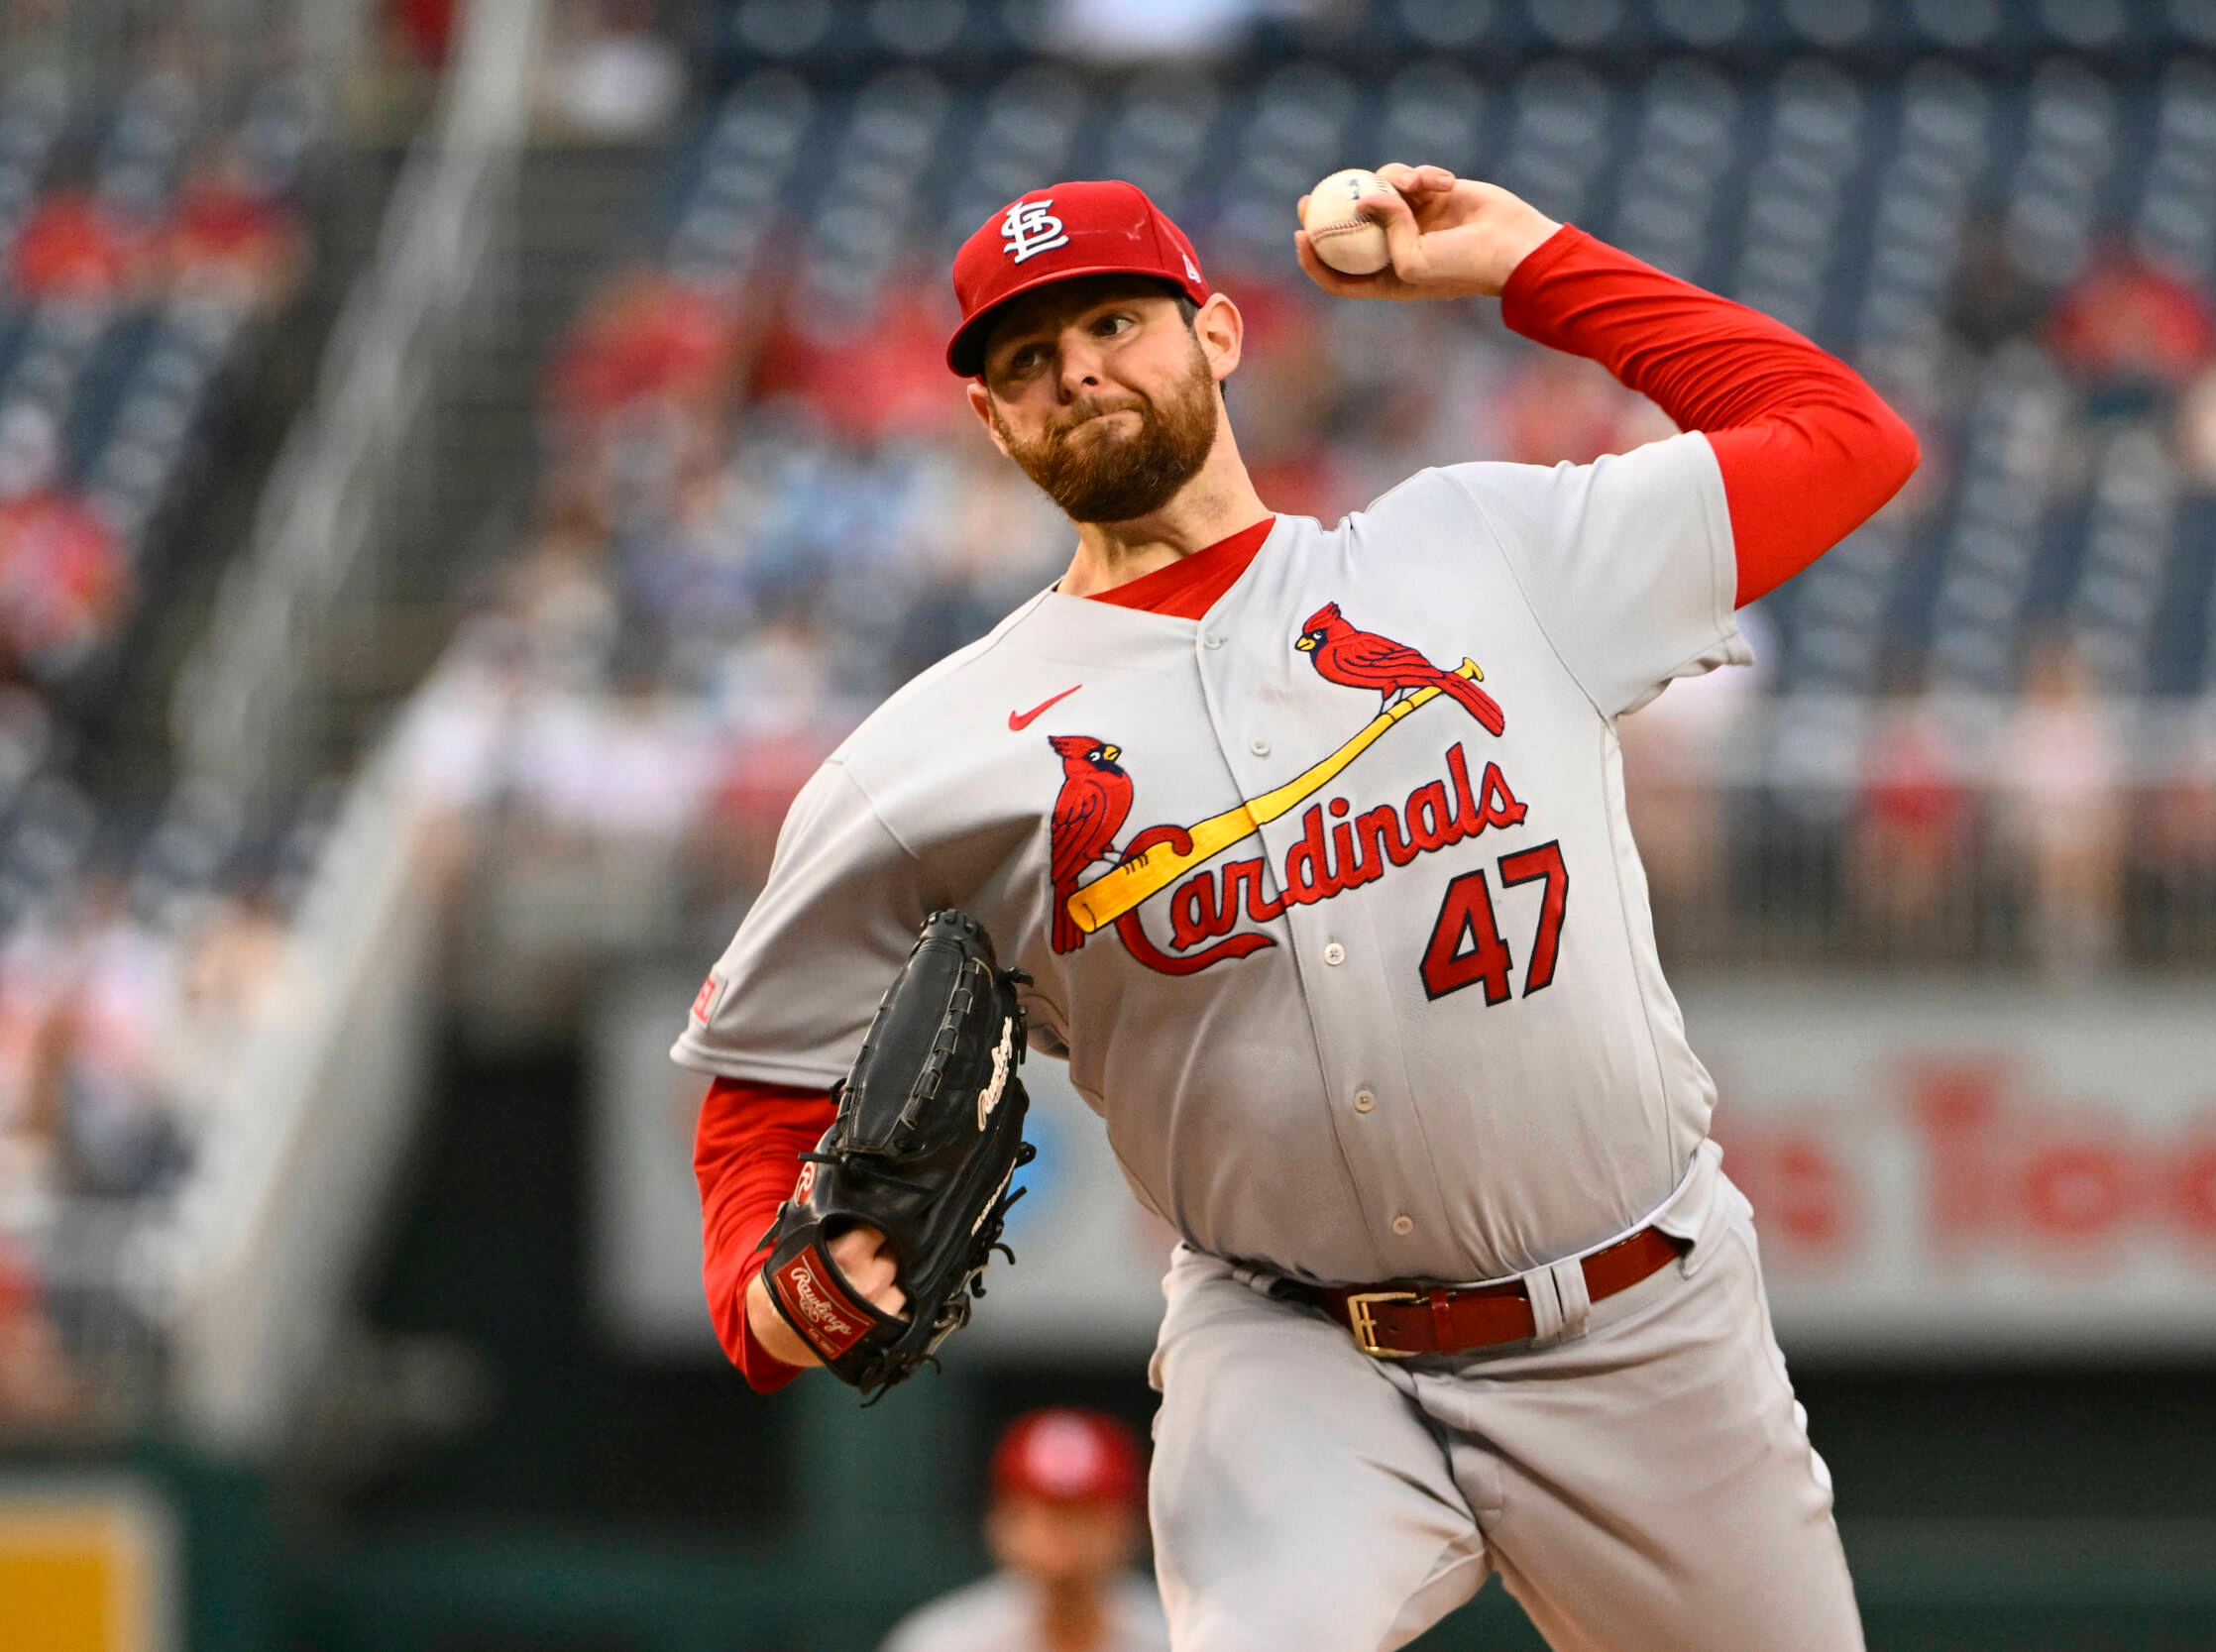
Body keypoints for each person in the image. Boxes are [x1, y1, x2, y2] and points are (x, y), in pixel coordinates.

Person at [682, 168, 1915, 1651]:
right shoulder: (932, 757)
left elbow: (1848, 438)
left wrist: (1533, 263)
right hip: (1292, 1349)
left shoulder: (1483, 557)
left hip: (1641, 1317)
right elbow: (761, 1072)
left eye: (1116, 320)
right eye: (1026, 358)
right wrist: (761, 1290)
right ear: (992, 421)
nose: (1077, 367)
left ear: (1217, 332)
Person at [881, 1408, 1167, 1652]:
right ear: (1001, 1522)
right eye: (1048, 1514)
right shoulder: (942, 1642)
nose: (1065, 1535)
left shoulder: (1177, 1638)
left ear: (1131, 1523)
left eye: (1086, 1514)